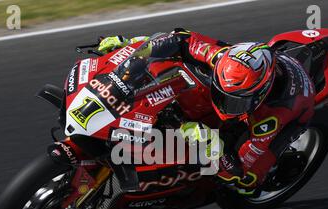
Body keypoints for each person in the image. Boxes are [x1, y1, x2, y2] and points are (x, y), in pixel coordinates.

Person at [98, 29, 315, 196]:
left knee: (246, 186)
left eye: (235, 102)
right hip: (253, 76)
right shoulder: (220, 56)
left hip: (294, 114)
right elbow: (175, 39)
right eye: (224, 95)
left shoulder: (271, 119)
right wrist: (132, 47)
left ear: (261, 92)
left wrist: (213, 147)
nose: (226, 105)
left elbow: (243, 174)